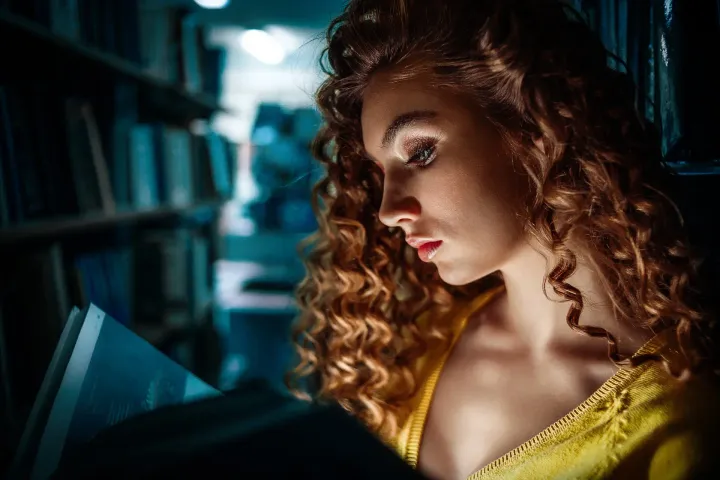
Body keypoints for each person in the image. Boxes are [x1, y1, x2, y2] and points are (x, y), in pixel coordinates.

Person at [286, 0, 720, 478]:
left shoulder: (677, 427)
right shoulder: (419, 345)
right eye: (380, 172)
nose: (389, 211)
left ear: (535, 128)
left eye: (421, 151)